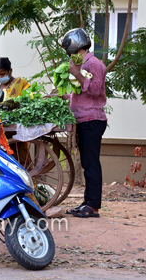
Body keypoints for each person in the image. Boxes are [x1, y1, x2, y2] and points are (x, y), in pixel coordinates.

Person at [61, 28, 107, 218]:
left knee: (91, 164)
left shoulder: (93, 64)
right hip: (84, 119)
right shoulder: (83, 64)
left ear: (74, 45)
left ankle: (93, 206)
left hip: (92, 120)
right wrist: (63, 96)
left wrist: (76, 72)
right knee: (88, 164)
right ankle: (88, 202)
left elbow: (95, 90)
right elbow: (81, 93)